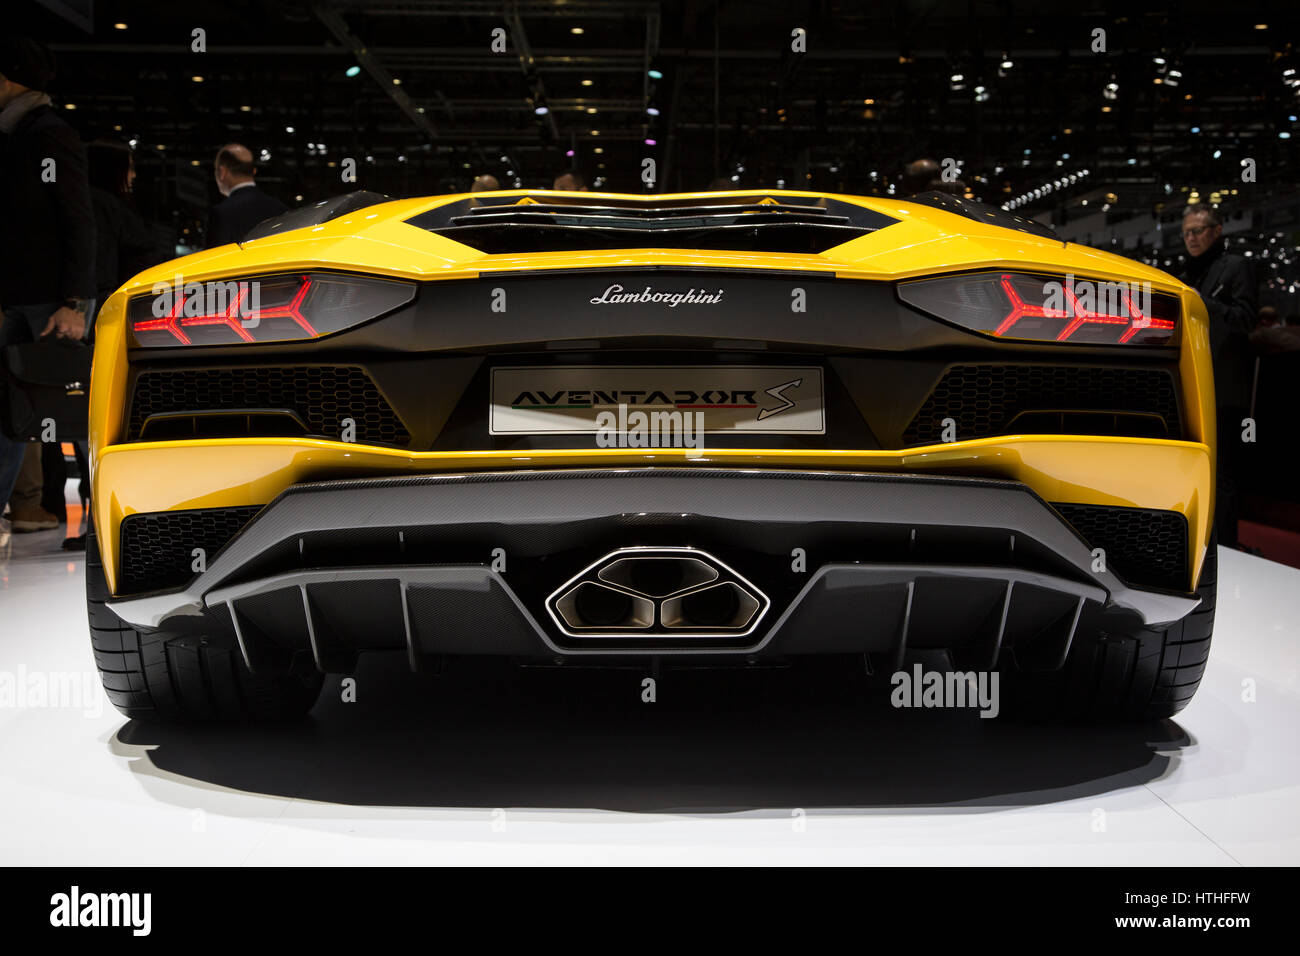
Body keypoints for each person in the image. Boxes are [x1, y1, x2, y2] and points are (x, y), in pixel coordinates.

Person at [0, 37, 95, 534]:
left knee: (70, 406)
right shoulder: (15, 133)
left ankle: (102, 512)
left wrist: (74, 301)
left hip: (51, 301)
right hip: (17, 297)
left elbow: (78, 220)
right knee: (12, 412)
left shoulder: (49, 133)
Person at [1179, 203, 1257, 548]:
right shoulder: (1187, 273)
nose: (1191, 238)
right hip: (1192, 382)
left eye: (1197, 231)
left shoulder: (1235, 266)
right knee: (1194, 469)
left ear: (1217, 230)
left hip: (1224, 387)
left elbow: (1245, 320)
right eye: (1186, 233)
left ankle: (1226, 547)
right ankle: (1200, 543)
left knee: (1222, 473)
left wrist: (1204, 303)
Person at [205, 143, 286, 248]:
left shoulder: (221, 213)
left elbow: (213, 260)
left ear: (222, 172)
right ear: (254, 171)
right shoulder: (281, 209)